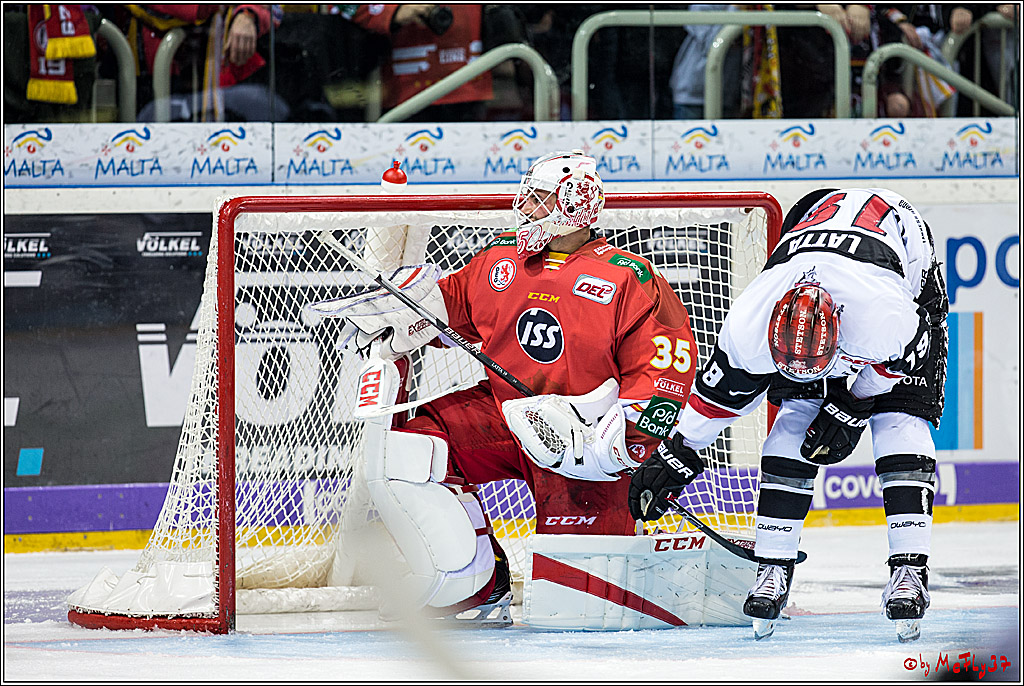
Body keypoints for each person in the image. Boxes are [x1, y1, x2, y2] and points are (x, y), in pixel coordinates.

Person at [315, 151, 698, 624]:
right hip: (505, 416)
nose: (525, 209)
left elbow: (665, 368)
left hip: (585, 447)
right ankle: (475, 585)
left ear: (575, 204)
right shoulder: (502, 260)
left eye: (537, 200)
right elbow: (451, 307)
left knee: (577, 613)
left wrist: (621, 448)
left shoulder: (629, 278)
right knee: (409, 450)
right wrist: (411, 310)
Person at [628, 188, 947, 642]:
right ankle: (773, 565)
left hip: (902, 256)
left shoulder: (884, 318)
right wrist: (674, 456)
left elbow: (898, 363)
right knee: (796, 415)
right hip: (813, 256)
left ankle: (910, 571)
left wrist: (851, 406)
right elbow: (717, 401)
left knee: (900, 420)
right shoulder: (749, 325)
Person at [341, 4, 492, 122]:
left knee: (471, 159)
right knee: (397, 161)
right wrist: (389, 11)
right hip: (406, 88)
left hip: (470, 82)